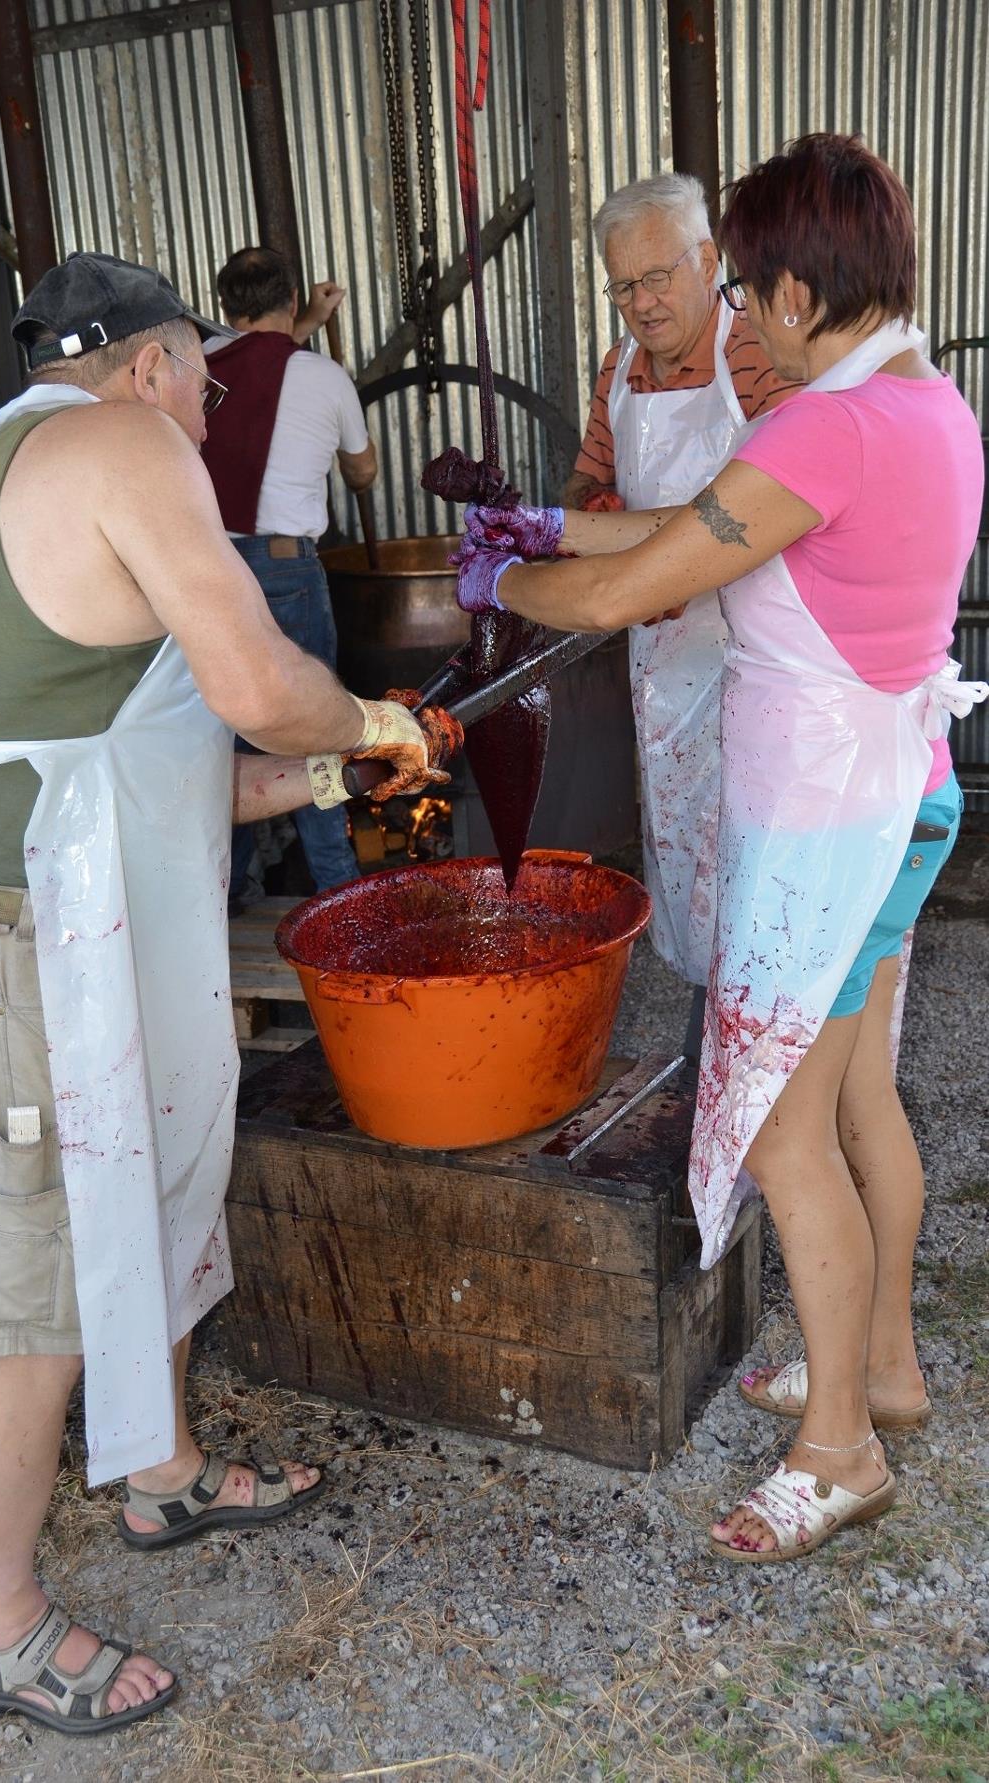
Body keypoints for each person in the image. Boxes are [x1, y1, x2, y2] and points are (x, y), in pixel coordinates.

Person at [0, 251, 456, 1733]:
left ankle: (161, 1472)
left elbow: (174, 760)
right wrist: (372, 713)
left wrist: (338, 768)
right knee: (37, 1277)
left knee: (159, 1177)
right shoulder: (115, 445)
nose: (202, 408)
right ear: (154, 364)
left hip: (34, 921)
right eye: (202, 379)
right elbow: (257, 678)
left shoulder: (14, 465)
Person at [454, 135, 986, 1562]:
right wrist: (550, 515)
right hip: (902, 793)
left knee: (785, 1134)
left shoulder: (822, 426)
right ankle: (881, 1363)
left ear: (807, 288)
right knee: (866, 1100)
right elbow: (681, 526)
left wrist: (512, 575)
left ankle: (841, 1451)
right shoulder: (931, 403)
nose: (741, 316)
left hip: (820, 820)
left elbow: (640, 582)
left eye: (752, 287)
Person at [562, 175, 799, 991]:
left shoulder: (754, 352)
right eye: (622, 284)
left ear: (706, 260)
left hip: (752, 655)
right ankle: (710, 1024)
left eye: (657, 277)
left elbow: (796, 496)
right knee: (682, 837)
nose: (641, 303)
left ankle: (751, 1035)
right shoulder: (618, 368)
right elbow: (586, 484)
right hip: (659, 655)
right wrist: (594, 512)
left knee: (754, 860)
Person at [201, 246, 378, 903]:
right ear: (292, 296)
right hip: (286, 573)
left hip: (208, 578)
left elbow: (255, 366)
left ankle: (228, 895)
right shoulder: (323, 377)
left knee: (224, 739)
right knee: (313, 728)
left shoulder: (198, 371)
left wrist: (305, 321)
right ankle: (339, 892)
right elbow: (362, 472)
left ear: (223, 307)